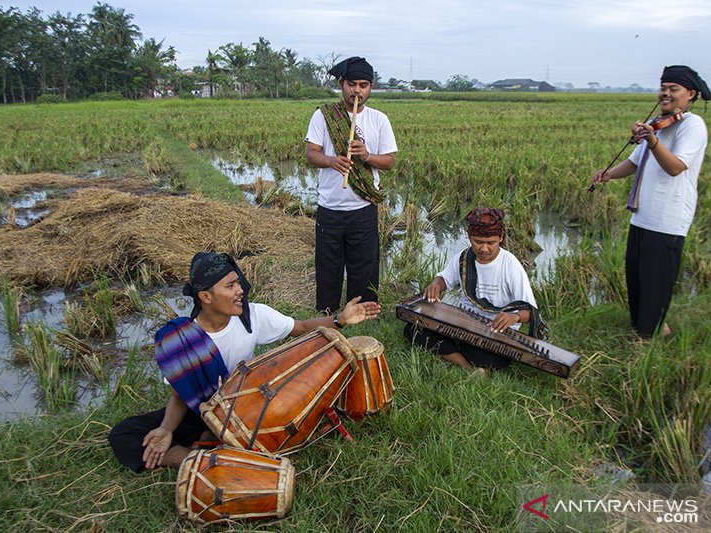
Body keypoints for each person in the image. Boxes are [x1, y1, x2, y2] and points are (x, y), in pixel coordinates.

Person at [108, 252, 380, 472]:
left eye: (238, 282)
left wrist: (340, 320)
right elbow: (181, 395)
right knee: (123, 434)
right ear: (205, 297)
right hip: (203, 411)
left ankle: (210, 451)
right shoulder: (184, 338)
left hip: (246, 411)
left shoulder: (252, 316)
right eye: (230, 286)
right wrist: (166, 430)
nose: (240, 290)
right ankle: (189, 457)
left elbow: (301, 326)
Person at [590, 65, 711, 339]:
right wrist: (607, 175)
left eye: (673, 89)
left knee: (656, 281)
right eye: (663, 88)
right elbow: (635, 162)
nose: (665, 94)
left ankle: (647, 339)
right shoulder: (658, 122)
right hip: (642, 214)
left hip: (668, 217)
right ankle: (651, 328)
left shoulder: (692, 125)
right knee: (637, 277)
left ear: (690, 94)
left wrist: (653, 140)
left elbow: (676, 167)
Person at [305, 56, 398, 313]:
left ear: (370, 88)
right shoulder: (323, 116)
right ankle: (327, 317)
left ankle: (364, 315)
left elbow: (389, 161)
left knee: (364, 268)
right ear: (342, 84)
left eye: (364, 85)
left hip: (363, 208)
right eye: (352, 84)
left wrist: (366, 155)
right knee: (328, 267)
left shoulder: (379, 120)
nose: (357, 90)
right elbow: (311, 153)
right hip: (330, 209)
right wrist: (331, 161)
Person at [404, 208, 546, 375]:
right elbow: (444, 279)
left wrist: (514, 317)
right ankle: (469, 368)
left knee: (494, 356)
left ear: (501, 238)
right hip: (463, 325)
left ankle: (462, 356)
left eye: (491, 243)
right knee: (413, 329)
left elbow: (530, 311)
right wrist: (435, 285)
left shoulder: (511, 265)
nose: (484, 249)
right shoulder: (464, 258)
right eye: (478, 241)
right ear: (469, 237)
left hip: (495, 332)